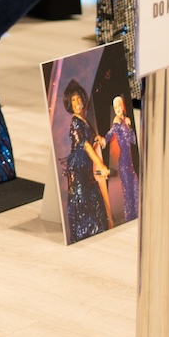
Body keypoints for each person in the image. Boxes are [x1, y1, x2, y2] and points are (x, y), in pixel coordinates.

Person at [61, 83, 111, 242]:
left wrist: (98, 138)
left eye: (78, 99)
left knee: (94, 205)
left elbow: (90, 140)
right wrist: (101, 165)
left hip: (86, 170)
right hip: (79, 171)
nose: (76, 103)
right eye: (73, 100)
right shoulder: (75, 122)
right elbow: (85, 145)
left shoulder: (83, 121)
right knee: (84, 208)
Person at [106, 96, 140, 224]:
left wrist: (129, 127)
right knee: (128, 190)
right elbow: (110, 133)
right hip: (123, 161)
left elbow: (133, 140)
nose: (118, 109)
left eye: (120, 106)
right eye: (116, 107)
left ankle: (136, 215)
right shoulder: (117, 122)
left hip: (130, 161)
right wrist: (104, 140)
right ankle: (130, 217)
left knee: (135, 186)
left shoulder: (126, 121)